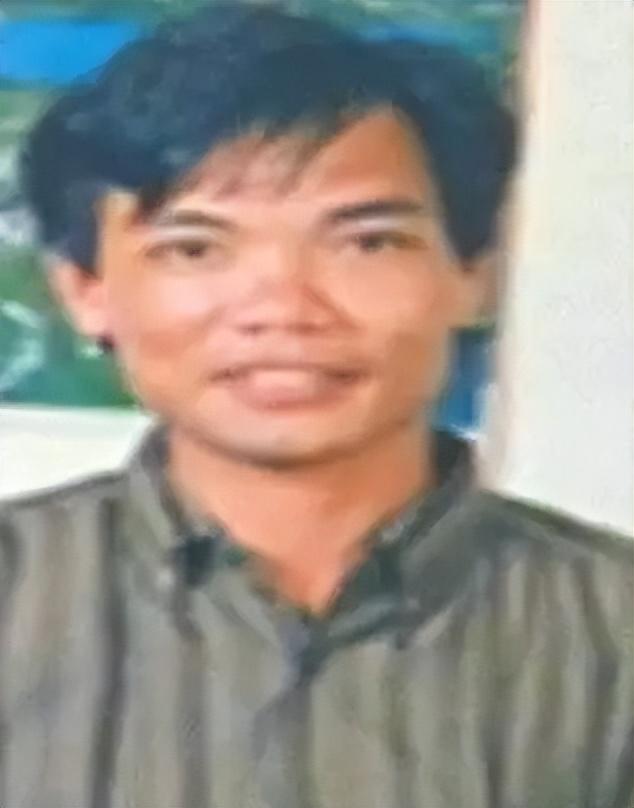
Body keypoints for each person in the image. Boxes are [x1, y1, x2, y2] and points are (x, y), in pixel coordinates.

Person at [0, 5, 631, 807]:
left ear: (473, 273)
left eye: (366, 243)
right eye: (195, 248)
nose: (284, 309)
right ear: (84, 292)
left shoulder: (611, 627)